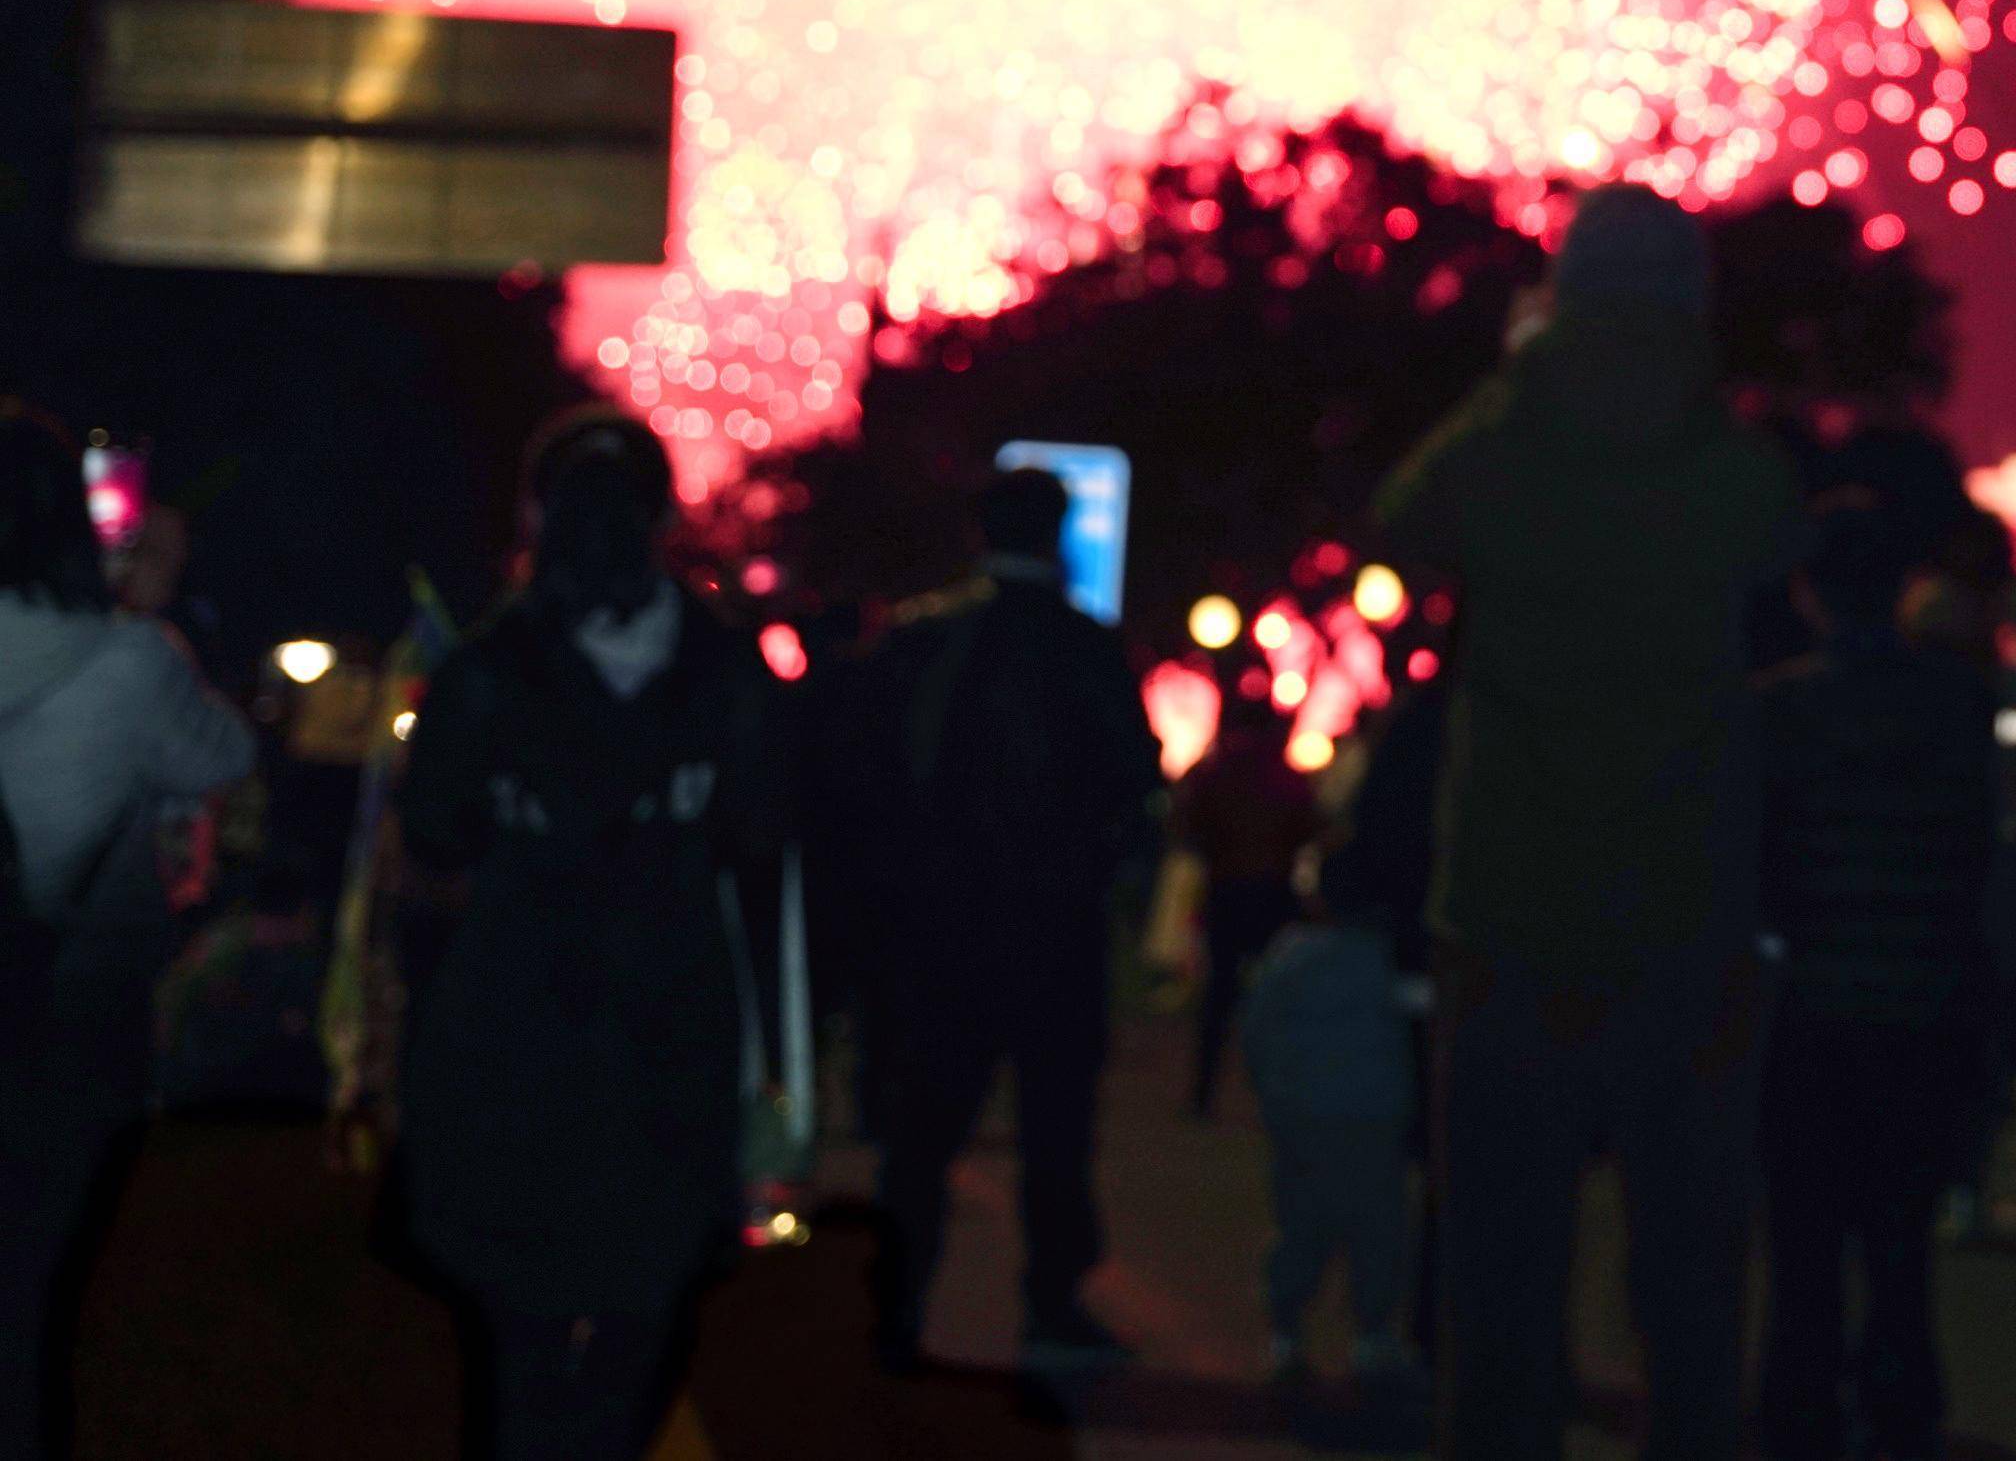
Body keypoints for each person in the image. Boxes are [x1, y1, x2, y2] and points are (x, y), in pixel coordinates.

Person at [1371, 183, 1804, 1461]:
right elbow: (1779, 545)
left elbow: (1403, 516)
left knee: (1499, 1271)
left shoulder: (1501, 450)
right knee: (1691, 1273)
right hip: (1687, 915)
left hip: (1507, 914)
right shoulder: (1735, 469)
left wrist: (1524, 371)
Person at [395, 409, 788, 1461]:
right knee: (647, 1296)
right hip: (672, 1005)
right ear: (662, 515)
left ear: (538, 511)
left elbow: (434, 828)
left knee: (513, 1306)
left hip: (516, 1004)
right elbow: (767, 831)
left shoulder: (489, 666)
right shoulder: (725, 667)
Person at [839, 463, 1161, 1375]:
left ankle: (897, 1312)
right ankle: (1051, 1306)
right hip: (1054, 929)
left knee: (922, 1133)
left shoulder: (922, 643)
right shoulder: (1083, 647)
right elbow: (1134, 784)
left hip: (939, 932)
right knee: (1055, 1129)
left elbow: (863, 783)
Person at [0, 402, 253, 1461]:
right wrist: (142, 602)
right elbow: (224, 755)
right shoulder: (129, 662)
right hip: (65, 1019)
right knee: (31, 1299)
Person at [1752, 499, 1999, 1461]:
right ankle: (1901, 1411)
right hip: (1924, 1000)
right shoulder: (1954, 703)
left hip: (1808, 1008)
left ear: (1809, 591)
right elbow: (1980, 856)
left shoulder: (1776, 708)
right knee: (1900, 1236)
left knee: (1804, 1235)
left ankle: (1797, 1413)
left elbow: (1749, 864)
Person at [1242, 830, 1419, 1394]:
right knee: (1377, 1232)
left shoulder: (1290, 958)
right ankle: (1371, 1338)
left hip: (1305, 1122)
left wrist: (1272, 1097)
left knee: (1302, 1228)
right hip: (1373, 1120)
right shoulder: (1386, 961)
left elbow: (1256, 1033)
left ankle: (1287, 1335)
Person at [1174, 702, 1328, 1118]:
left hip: (1229, 891)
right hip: (1271, 893)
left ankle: (1204, 1095)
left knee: (1219, 997)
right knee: (1278, 997)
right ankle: (1280, 1091)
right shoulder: (1283, 774)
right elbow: (1313, 828)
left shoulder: (1215, 773)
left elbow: (1186, 829)